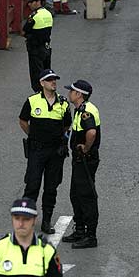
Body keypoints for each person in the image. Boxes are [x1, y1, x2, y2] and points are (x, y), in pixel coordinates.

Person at [19, 69, 72, 234]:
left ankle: (46, 220)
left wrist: (62, 139)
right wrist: (33, 136)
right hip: (37, 150)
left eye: (54, 79)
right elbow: (23, 120)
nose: (53, 82)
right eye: (49, 80)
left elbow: (67, 124)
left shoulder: (63, 103)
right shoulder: (32, 101)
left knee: (51, 187)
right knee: (32, 185)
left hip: (55, 152)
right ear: (42, 83)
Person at [62, 80, 101, 249]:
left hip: (85, 159)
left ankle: (90, 235)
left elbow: (91, 132)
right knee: (75, 194)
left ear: (79, 94)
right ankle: (79, 229)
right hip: (79, 159)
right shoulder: (80, 109)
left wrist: (85, 148)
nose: (69, 93)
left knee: (86, 196)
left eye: (72, 91)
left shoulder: (86, 111)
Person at [22, 0, 53, 92]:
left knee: (36, 75)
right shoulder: (48, 13)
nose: (29, 4)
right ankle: (48, 92)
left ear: (37, 2)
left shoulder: (34, 16)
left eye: (31, 2)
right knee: (46, 73)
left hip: (35, 50)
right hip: (46, 48)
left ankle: (39, 94)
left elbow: (24, 30)